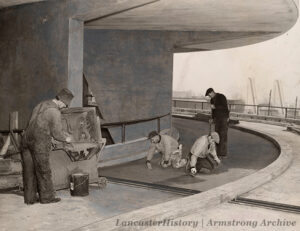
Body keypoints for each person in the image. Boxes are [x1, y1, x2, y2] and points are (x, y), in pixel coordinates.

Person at [21, 88, 74, 204]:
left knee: (29, 170)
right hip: (39, 141)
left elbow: (35, 123)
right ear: (60, 100)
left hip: (26, 140)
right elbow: (57, 133)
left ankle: (29, 199)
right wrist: (68, 138)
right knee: (43, 169)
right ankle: (47, 198)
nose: (64, 107)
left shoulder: (40, 105)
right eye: (65, 104)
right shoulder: (54, 111)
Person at [205, 88, 229, 157]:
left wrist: (215, 106)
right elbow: (213, 111)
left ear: (212, 92)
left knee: (223, 135)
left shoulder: (221, 96)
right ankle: (218, 153)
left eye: (210, 95)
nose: (210, 97)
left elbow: (224, 107)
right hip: (217, 119)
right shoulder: (212, 100)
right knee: (217, 135)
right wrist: (212, 118)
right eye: (209, 96)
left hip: (224, 118)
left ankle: (223, 153)